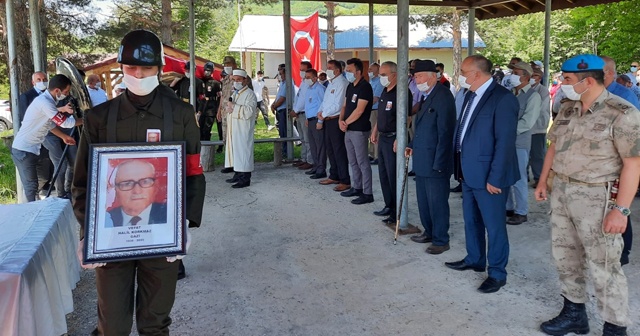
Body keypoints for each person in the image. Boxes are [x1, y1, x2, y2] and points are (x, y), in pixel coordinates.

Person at [72, 29, 206, 335]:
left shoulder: (181, 115)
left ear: (159, 68)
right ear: (121, 68)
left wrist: (184, 223)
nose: (138, 74)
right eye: (131, 68)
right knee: (113, 324)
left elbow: (193, 173)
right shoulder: (99, 118)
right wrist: (87, 232)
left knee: (155, 322)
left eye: (146, 68)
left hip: (162, 236)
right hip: (111, 238)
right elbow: (82, 182)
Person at [534, 54, 638, 336]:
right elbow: (554, 147)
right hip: (563, 192)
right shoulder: (568, 108)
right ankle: (574, 313)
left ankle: (615, 327)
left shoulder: (623, 113)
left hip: (598, 197)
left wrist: (622, 210)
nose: (562, 84)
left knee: (605, 264)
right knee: (565, 257)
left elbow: (633, 163)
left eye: (567, 80)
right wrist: (543, 180)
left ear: (588, 81)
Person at [445, 55, 519, 294]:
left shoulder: (503, 99)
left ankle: (497, 273)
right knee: (471, 220)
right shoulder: (470, 95)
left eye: (464, 72)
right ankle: (475, 258)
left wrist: (495, 178)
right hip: (468, 171)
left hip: (490, 176)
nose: (461, 76)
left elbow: (505, 142)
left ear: (476, 74)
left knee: (494, 226)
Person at [404, 60, 456, 254]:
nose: (416, 80)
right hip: (423, 159)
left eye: (419, 76)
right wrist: (411, 145)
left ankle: (441, 239)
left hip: (436, 161)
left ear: (432, 76)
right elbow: (423, 129)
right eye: (415, 76)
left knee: (437, 202)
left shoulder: (443, 96)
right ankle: (429, 231)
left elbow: (445, 133)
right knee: (424, 200)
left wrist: (440, 163)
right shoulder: (428, 96)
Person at [12, 74, 81, 202]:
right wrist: (85, 120)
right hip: (23, 150)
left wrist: (64, 136)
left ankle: (34, 204)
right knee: (31, 187)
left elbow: (49, 125)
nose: (67, 94)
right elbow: (65, 123)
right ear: (57, 91)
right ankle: (31, 213)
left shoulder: (49, 101)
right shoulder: (44, 102)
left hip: (36, 149)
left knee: (43, 179)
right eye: (66, 91)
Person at [601, 56, 635, 267]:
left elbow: (633, 133)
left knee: (620, 205)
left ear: (611, 74)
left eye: (600, 71)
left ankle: (623, 251)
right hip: (597, 164)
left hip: (620, 161)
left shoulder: (624, 95)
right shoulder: (589, 94)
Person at [371, 62, 408, 224]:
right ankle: (388, 205)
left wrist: (400, 138)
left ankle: (396, 212)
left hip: (394, 137)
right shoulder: (385, 91)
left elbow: (406, 118)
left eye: (384, 75)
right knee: (384, 173)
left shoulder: (402, 93)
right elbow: (380, 115)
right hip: (383, 137)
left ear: (394, 75)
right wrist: (374, 131)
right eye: (380, 74)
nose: (381, 78)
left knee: (394, 174)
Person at [505, 61, 541, 225]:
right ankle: (508, 207)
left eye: (516, 73)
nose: (512, 75)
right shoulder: (511, 93)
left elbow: (527, 122)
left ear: (526, 76)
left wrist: (505, 130)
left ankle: (521, 211)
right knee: (505, 175)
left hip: (519, 142)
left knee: (519, 177)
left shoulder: (533, 96)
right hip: (505, 142)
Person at [340, 58, 374, 204]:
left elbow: (360, 110)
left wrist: (345, 122)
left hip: (359, 130)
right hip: (348, 128)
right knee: (352, 161)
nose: (347, 73)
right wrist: (340, 120)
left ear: (358, 72)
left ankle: (368, 193)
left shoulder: (365, 87)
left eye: (350, 71)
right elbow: (345, 105)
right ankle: (357, 187)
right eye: (346, 70)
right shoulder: (350, 86)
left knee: (362, 162)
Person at [317, 60, 351, 192]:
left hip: (336, 119)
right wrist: (320, 113)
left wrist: (323, 114)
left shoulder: (342, 84)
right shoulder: (331, 84)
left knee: (339, 150)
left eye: (330, 68)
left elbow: (338, 104)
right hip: (327, 119)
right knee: (330, 149)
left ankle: (345, 179)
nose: (328, 70)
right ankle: (334, 175)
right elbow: (325, 102)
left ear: (337, 70)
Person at [18, 71, 53, 195]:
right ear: (33, 82)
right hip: (31, 139)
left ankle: (43, 188)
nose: (42, 82)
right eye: (38, 79)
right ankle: (31, 199)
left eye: (44, 79)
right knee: (31, 181)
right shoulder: (26, 96)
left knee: (45, 173)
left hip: (47, 136)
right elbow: (25, 116)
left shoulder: (50, 96)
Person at [105, 160, 167, 227]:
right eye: (127, 184)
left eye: (145, 182)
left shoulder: (170, 214)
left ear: (156, 186)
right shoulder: (106, 219)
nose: (137, 191)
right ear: (115, 189)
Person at [224, 70, 257, 188]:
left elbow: (249, 112)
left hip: (243, 128)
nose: (236, 82)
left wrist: (234, 107)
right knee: (235, 151)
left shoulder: (250, 94)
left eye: (238, 80)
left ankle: (245, 178)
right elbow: (230, 105)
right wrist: (229, 108)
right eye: (234, 80)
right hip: (234, 127)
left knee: (243, 152)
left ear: (245, 80)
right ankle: (237, 173)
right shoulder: (236, 94)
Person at [529, 67, 551, 189]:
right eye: (531, 75)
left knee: (537, 154)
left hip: (538, 126)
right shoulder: (526, 89)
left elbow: (540, 109)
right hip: (527, 126)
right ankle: (526, 174)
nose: (533, 78)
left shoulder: (542, 91)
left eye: (535, 76)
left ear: (540, 78)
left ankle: (539, 178)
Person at [303, 69, 327, 179]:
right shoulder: (309, 89)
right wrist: (308, 117)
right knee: (313, 145)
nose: (306, 79)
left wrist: (320, 121)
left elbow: (324, 105)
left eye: (308, 77)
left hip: (317, 120)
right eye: (305, 77)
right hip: (310, 120)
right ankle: (316, 166)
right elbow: (309, 105)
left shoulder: (320, 89)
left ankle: (321, 169)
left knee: (320, 146)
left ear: (314, 78)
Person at [217, 56, 239, 171]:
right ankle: (229, 162)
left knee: (234, 138)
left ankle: (237, 163)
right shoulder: (225, 80)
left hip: (234, 113)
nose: (226, 67)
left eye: (229, 64)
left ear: (234, 64)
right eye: (225, 65)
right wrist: (219, 111)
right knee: (226, 138)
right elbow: (223, 96)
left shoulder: (240, 78)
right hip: (225, 113)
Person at [271, 64, 297, 159]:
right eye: (280, 73)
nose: (280, 75)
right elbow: (278, 96)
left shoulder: (288, 83)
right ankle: (284, 150)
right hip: (280, 110)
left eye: (282, 73)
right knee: (281, 132)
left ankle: (286, 152)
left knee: (285, 132)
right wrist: (273, 104)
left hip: (284, 110)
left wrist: (274, 106)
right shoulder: (282, 83)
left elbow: (282, 98)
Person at [292, 61, 314, 170]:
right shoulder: (302, 82)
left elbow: (304, 100)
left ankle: (310, 160)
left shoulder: (308, 84)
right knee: (302, 138)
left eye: (303, 70)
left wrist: (295, 110)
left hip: (305, 113)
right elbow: (298, 98)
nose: (301, 72)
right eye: (300, 69)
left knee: (307, 138)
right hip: (299, 113)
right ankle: (304, 158)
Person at [201, 61, 222, 141]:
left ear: (212, 71)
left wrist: (218, 109)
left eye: (208, 71)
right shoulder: (201, 81)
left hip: (212, 107)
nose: (206, 72)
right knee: (201, 127)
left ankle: (207, 145)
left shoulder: (216, 83)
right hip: (202, 106)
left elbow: (220, 96)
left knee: (207, 128)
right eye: (205, 70)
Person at [368, 63, 383, 165]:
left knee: (375, 132)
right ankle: (372, 154)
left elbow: (375, 98)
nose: (369, 71)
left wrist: (363, 103)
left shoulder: (380, 82)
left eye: (371, 70)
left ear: (377, 70)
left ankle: (377, 156)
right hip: (370, 110)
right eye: (368, 69)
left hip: (375, 109)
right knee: (370, 133)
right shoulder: (371, 81)